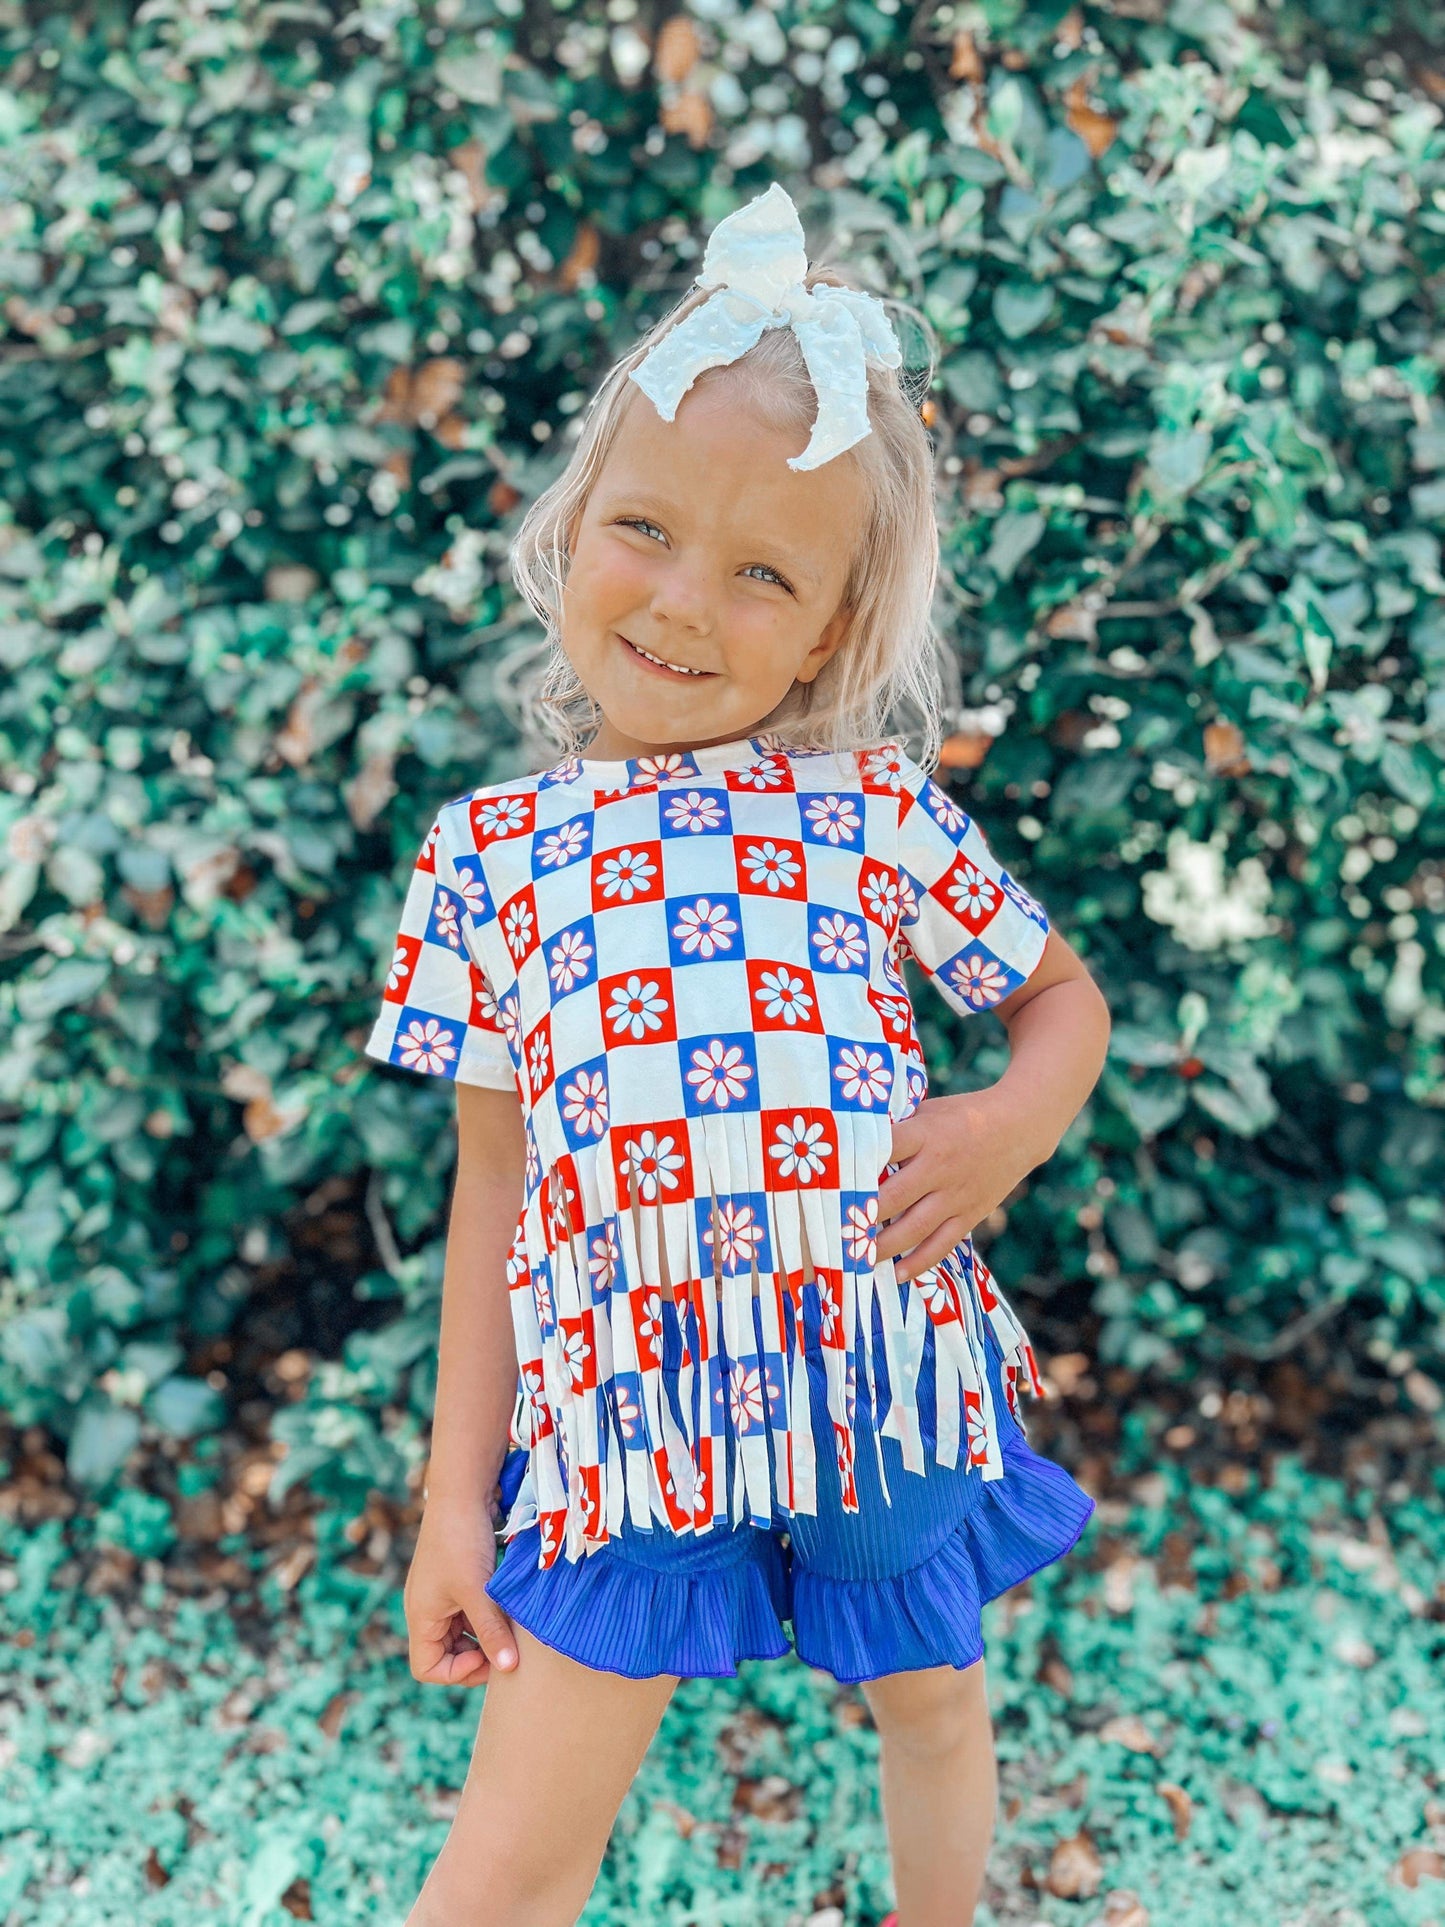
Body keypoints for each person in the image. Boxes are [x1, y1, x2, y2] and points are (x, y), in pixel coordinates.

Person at [366, 181, 1110, 1927]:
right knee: (506, 1863)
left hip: (875, 1370)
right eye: (644, 528)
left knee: (927, 1702)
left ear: (835, 631)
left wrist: (1009, 1122)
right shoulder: (488, 855)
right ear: (570, 529)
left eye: (763, 569)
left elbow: (1058, 999)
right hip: (625, 1424)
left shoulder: (872, 812)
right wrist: (450, 1509)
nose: (684, 602)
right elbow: (494, 1201)